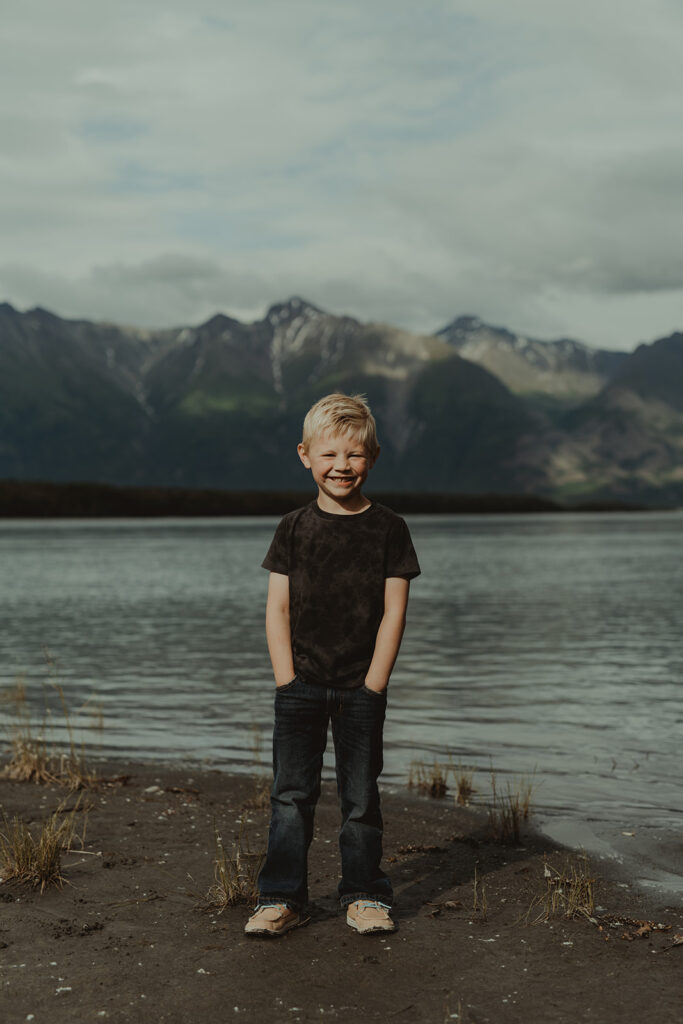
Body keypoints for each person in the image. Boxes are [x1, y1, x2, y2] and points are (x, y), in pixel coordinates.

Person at [244, 392, 420, 938]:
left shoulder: (389, 528)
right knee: (291, 797)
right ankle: (280, 898)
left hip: (360, 690)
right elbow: (276, 608)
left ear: (374, 456)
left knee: (361, 800)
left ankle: (365, 895)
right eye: (329, 455)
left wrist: (374, 685)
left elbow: (393, 613)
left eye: (354, 455)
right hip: (299, 686)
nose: (342, 467)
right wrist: (285, 679)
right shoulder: (293, 528)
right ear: (305, 455)